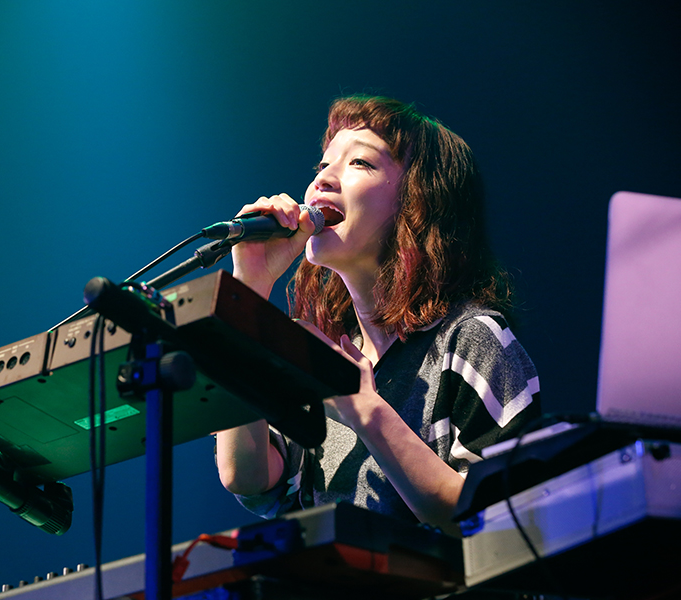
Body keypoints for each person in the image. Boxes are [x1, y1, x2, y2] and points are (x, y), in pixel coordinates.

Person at [215, 95, 541, 535]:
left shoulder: (470, 338)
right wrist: (249, 292)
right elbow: (249, 477)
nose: (322, 180)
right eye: (322, 165)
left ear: (418, 202)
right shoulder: (323, 353)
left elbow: (501, 517)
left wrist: (364, 408)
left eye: (360, 163)